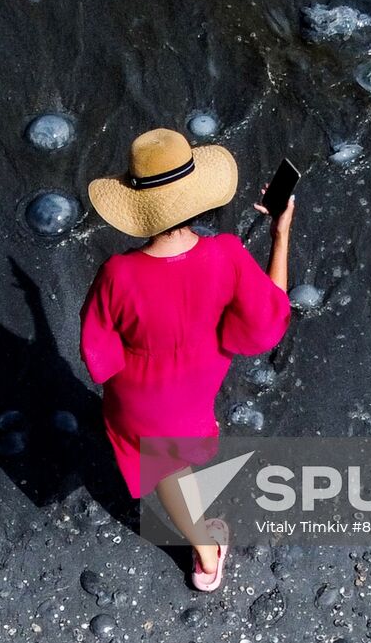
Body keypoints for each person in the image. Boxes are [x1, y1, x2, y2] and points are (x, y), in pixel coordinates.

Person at [79, 127, 293, 592]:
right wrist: (281, 234)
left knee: (162, 467)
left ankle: (204, 548)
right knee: (174, 464)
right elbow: (269, 317)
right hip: (197, 382)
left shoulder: (118, 273)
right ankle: (205, 548)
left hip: (139, 394)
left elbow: (98, 351)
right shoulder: (227, 255)